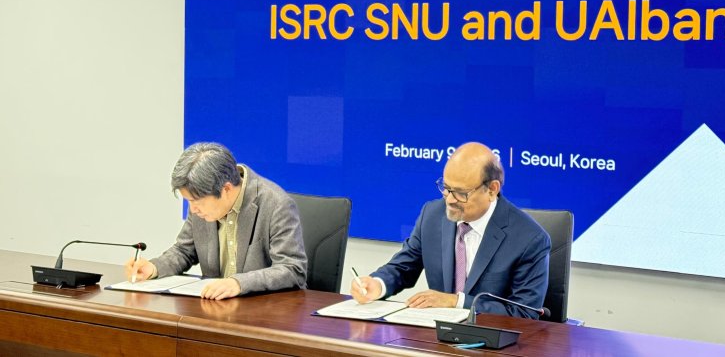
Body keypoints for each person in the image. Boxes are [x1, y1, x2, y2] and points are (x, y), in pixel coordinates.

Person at [351, 142, 550, 318]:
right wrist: (377, 284)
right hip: (435, 339)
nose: (450, 199)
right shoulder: (432, 214)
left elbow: (524, 313)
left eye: (461, 193)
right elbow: (404, 267)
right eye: (446, 188)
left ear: (492, 190)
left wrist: (456, 301)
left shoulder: (529, 239)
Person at [125, 142, 307, 299]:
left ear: (226, 189)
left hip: (264, 312)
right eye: (189, 201)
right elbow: (184, 251)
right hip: (216, 309)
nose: (193, 209)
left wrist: (238, 283)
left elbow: (292, 269)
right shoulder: (200, 204)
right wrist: (154, 267)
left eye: (196, 201)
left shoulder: (276, 205)